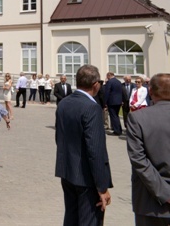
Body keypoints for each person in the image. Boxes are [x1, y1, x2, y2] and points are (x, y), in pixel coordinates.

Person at [55, 64, 112, 226]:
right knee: (89, 221)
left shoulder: (64, 103)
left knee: (71, 218)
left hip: (67, 171)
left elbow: (59, 137)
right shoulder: (92, 107)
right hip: (87, 177)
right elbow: (95, 150)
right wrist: (102, 186)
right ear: (95, 85)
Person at [126, 73, 170, 225]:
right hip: (151, 201)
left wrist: (165, 194)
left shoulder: (137, 118)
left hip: (151, 202)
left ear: (150, 91)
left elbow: (139, 160)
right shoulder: (138, 118)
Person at [104, 72, 123, 136]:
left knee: (113, 116)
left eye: (107, 76)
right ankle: (119, 129)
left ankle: (116, 131)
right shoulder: (119, 82)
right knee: (116, 116)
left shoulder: (110, 82)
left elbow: (107, 92)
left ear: (109, 76)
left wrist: (105, 102)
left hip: (112, 102)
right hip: (118, 101)